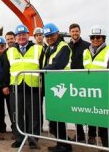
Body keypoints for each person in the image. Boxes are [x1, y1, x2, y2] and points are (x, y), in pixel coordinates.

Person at [2, 25, 43, 149]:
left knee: (33, 115)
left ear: (28, 35)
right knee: (17, 115)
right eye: (18, 35)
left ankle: (32, 140)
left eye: (23, 34)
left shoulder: (38, 49)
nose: (21, 37)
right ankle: (19, 139)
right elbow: (5, 70)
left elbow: (43, 67)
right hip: (16, 88)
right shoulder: (9, 51)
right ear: (15, 38)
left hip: (33, 88)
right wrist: (4, 85)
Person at [42, 23, 72, 152]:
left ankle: (64, 146)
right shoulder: (49, 48)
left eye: (51, 35)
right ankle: (62, 143)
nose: (49, 38)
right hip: (52, 86)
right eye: (47, 36)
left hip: (61, 87)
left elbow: (57, 65)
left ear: (57, 34)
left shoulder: (63, 47)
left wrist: (40, 70)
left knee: (58, 118)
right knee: (54, 118)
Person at [83, 25, 108, 148]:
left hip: (104, 91)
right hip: (89, 91)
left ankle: (105, 145)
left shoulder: (108, 51)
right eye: (92, 37)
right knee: (91, 116)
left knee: (103, 120)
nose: (95, 40)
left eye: (98, 37)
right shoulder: (86, 52)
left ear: (103, 38)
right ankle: (92, 138)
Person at [67, 23, 92, 143]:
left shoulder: (88, 45)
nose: (75, 33)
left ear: (80, 32)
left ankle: (92, 135)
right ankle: (80, 134)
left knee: (90, 108)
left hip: (86, 82)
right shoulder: (67, 47)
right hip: (72, 82)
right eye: (72, 31)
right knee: (75, 109)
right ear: (70, 33)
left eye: (76, 31)